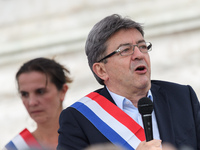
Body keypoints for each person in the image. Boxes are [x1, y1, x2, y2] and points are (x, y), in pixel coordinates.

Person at [57, 14, 200, 150]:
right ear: (101, 70)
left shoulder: (182, 97)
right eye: (125, 50)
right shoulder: (79, 119)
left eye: (143, 46)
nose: (139, 55)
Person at [4, 57, 72, 150]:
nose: (32, 102)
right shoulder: (17, 147)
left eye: (40, 92)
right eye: (24, 94)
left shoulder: (89, 136)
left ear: (63, 91)